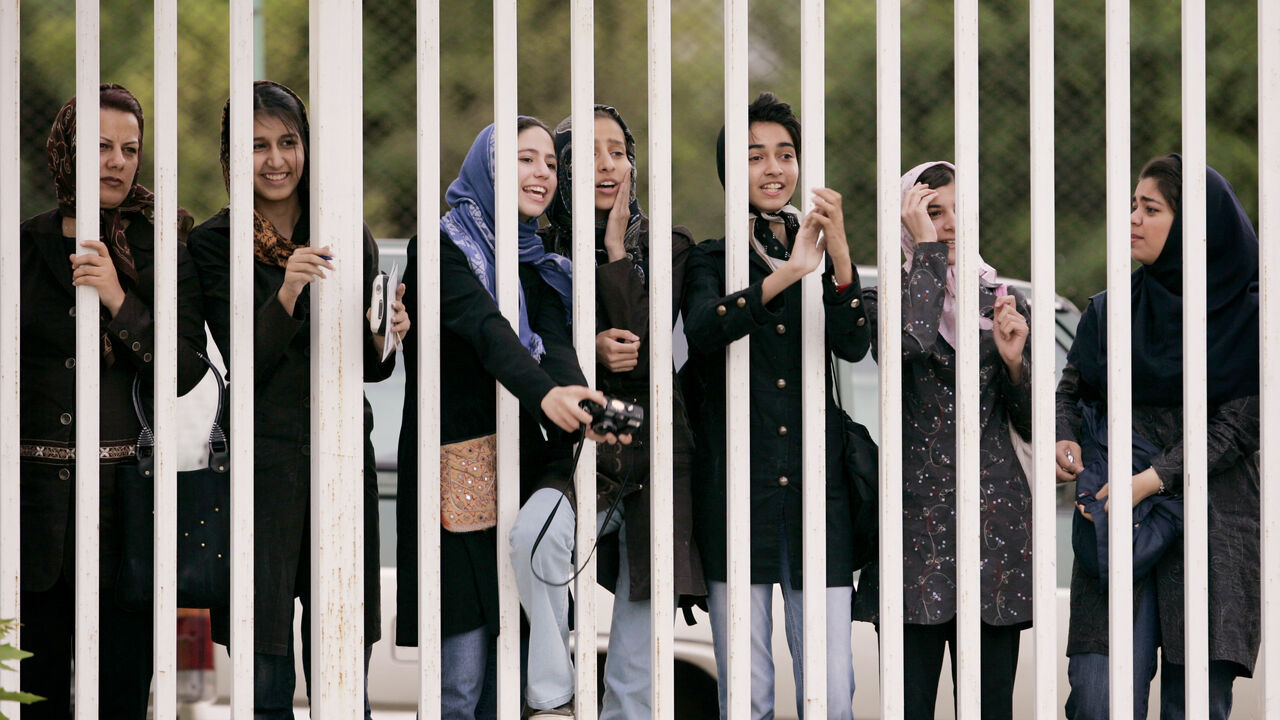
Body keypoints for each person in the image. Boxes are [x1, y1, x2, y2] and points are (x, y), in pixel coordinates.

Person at [186, 80, 407, 719]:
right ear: (231, 159)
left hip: (342, 463)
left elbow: (368, 370)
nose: (277, 160)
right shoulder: (211, 245)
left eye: (289, 142)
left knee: (343, 666)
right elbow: (236, 366)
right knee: (265, 671)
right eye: (258, 146)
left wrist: (386, 334)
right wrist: (284, 293)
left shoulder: (344, 230)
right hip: (261, 470)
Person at [395, 118, 621, 720]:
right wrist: (546, 395)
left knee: (512, 684)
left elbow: (559, 348)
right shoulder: (441, 246)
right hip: (455, 483)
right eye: (525, 159)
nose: (541, 174)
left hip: (523, 480)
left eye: (549, 163)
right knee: (460, 684)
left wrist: (579, 398)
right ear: (489, 168)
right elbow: (487, 329)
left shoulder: (539, 262)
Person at [507, 105, 706, 719]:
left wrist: (618, 253)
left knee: (634, 675)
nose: (606, 163)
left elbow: (658, 351)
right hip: (581, 457)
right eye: (587, 152)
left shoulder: (669, 246)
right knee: (532, 541)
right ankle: (552, 693)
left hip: (655, 459)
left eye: (617, 150)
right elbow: (527, 345)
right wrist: (588, 349)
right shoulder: (535, 246)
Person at [17, 83, 208, 718]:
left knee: (122, 694)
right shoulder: (21, 246)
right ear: (68, 151)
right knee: (34, 698)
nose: (118, 161)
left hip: (127, 506)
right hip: (31, 511)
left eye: (129, 149)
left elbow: (183, 370)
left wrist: (119, 301)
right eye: (101, 146)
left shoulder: (162, 247)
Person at [680, 92, 870, 720]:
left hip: (820, 497)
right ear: (731, 171)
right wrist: (790, 272)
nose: (773, 168)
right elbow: (706, 328)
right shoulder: (710, 257)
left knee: (830, 689)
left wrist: (838, 252)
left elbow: (855, 343)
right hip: (737, 494)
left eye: (784, 155)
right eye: (755, 155)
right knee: (747, 691)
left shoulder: (822, 256)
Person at [1057, 155, 1261, 720]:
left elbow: (1237, 428)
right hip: (1117, 526)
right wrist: (1063, 439)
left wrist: (1150, 480)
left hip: (1212, 528)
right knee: (1099, 695)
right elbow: (1069, 394)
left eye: (1151, 209)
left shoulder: (1250, 319)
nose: (1132, 220)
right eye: (1132, 206)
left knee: (1193, 704)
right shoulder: (1111, 311)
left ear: (1196, 224)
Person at [852, 161, 1033, 720]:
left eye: (959, 212)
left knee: (991, 708)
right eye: (933, 213)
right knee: (909, 708)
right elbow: (906, 345)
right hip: (916, 538)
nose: (951, 225)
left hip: (994, 536)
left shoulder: (1001, 303)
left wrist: (1014, 363)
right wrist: (926, 253)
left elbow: (1030, 424)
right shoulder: (884, 303)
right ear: (907, 222)